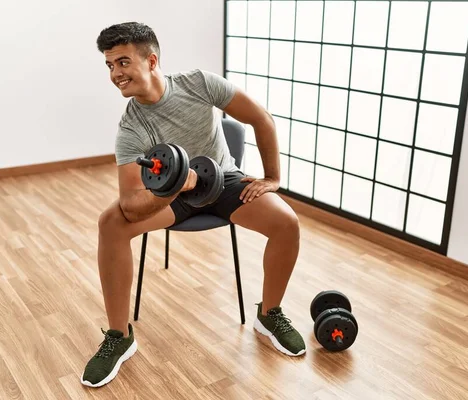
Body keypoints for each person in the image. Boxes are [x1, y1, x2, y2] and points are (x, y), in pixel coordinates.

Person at [81, 22, 305, 388]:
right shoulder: (131, 128)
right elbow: (132, 205)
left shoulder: (199, 84)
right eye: (109, 66)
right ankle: (119, 337)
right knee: (111, 222)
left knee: (287, 222)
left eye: (122, 62)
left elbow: (260, 118)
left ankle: (270, 314)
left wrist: (272, 177)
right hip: (174, 198)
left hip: (225, 182)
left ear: (151, 61)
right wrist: (175, 186)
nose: (115, 74)